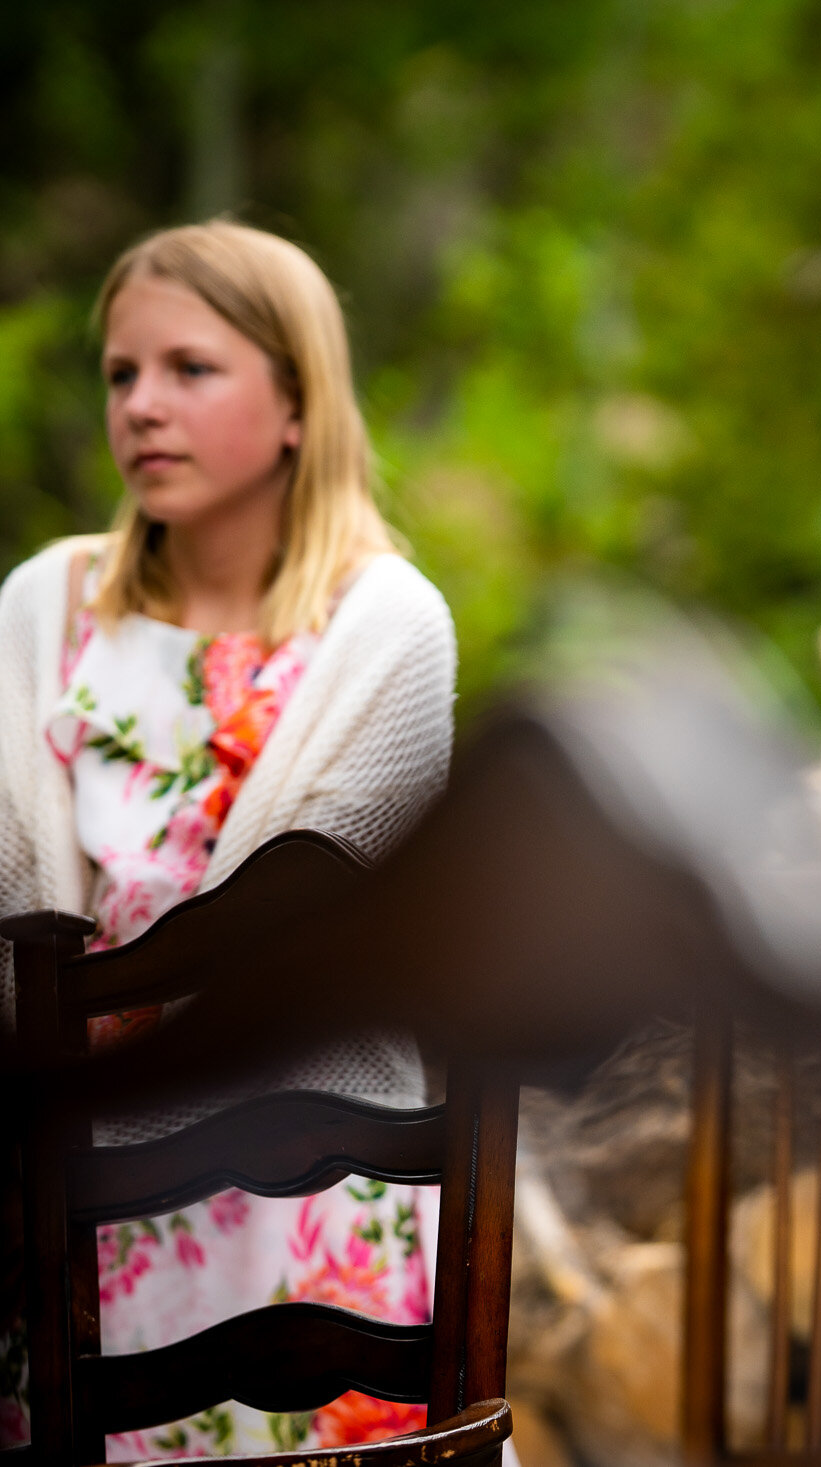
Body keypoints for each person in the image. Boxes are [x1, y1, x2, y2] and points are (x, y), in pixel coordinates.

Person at [0, 222, 457, 1456]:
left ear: (298, 400)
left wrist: (92, 1010)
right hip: (75, 1181)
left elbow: (307, 920)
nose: (143, 406)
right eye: (120, 374)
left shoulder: (386, 626)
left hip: (310, 1166)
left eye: (190, 369)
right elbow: (10, 907)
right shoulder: (45, 607)